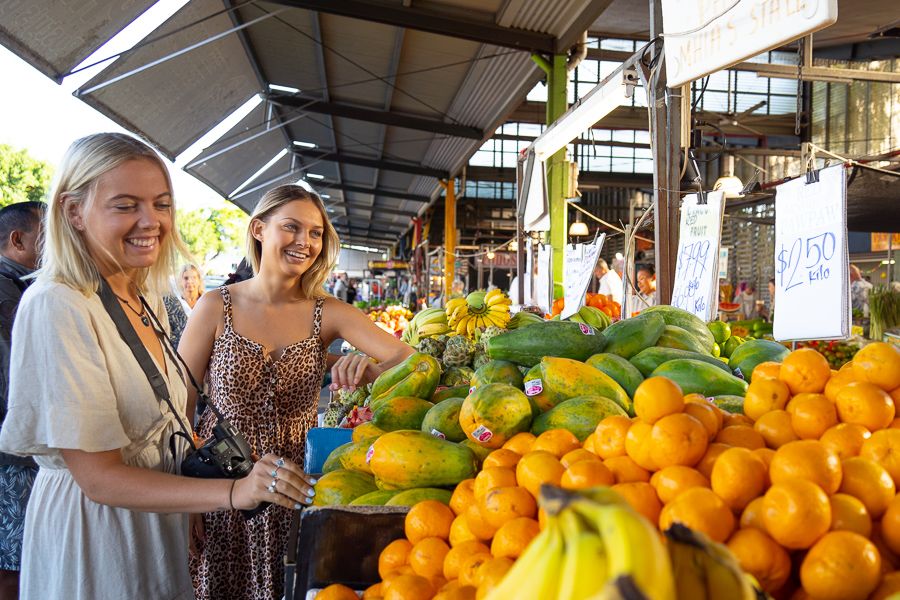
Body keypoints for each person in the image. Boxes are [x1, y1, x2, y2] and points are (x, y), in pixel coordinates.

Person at [0, 133, 313, 600]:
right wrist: (235, 493)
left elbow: (166, 416)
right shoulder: (58, 304)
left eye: (161, 204)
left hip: (155, 519)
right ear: (73, 212)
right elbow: (99, 477)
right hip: (98, 534)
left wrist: (189, 494)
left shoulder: (145, 295)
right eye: (126, 205)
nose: (151, 221)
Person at [178, 184, 413, 600]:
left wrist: (370, 369)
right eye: (291, 227)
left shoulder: (329, 313)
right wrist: (188, 498)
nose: (305, 242)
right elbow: (181, 407)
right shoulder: (215, 306)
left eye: (316, 233)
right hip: (222, 487)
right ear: (258, 230)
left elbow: (411, 359)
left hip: (294, 489)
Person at [0, 202, 45, 600]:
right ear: (18, 241)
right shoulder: (9, 293)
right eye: (47, 238)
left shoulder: (20, 288)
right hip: (11, 459)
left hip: (15, 455)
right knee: (14, 568)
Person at [164, 264, 204, 349]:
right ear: (180, 281)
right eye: (186, 278)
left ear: (199, 280)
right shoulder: (173, 304)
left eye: (194, 278)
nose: (190, 281)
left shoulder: (206, 303)